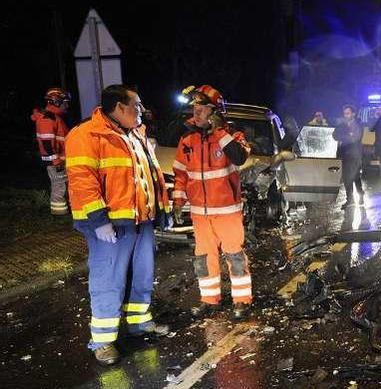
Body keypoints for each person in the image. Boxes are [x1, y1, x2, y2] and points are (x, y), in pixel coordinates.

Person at [65, 85, 174, 365]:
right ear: (119, 107)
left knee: (142, 274)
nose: (141, 110)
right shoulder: (86, 134)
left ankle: (139, 324)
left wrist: (161, 209)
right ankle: (103, 341)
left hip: (140, 220)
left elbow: (149, 175)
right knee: (108, 279)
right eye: (136, 105)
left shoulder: (136, 133)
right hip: (110, 223)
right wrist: (99, 221)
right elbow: (82, 182)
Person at [172, 85, 253, 320]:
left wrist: (218, 132)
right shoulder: (187, 139)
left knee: (234, 256)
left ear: (215, 112)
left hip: (227, 211)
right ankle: (209, 299)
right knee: (203, 258)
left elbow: (239, 157)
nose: (196, 112)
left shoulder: (232, 136)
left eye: (202, 108)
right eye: (194, 107)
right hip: (199, 213)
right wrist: (178, 202)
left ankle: (242, 300)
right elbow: (180, 174)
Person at [31, 88, 71, 215]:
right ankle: (59, 213)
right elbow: (47, 143)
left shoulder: (53, 118)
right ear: (56, 102)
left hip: (58, 160)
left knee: (62, 184)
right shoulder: (47, 119)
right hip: (56, 162)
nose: (67, 105)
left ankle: (63, 211)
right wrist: (56, 161)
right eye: (65, 102)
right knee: (59, 186)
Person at [332, 104, 365, 208]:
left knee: (355, 177)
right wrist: (346, 136)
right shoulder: (342, 125)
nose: (346, 115)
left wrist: (345, 137)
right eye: (345, 113)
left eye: (348, 113)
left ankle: (360, 195)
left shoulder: (358, 125)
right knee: (347, 178)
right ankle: (350, 199)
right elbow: (335, 135)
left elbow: (355, 138)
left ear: (353, 114)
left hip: (355, 155)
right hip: (345, 154)